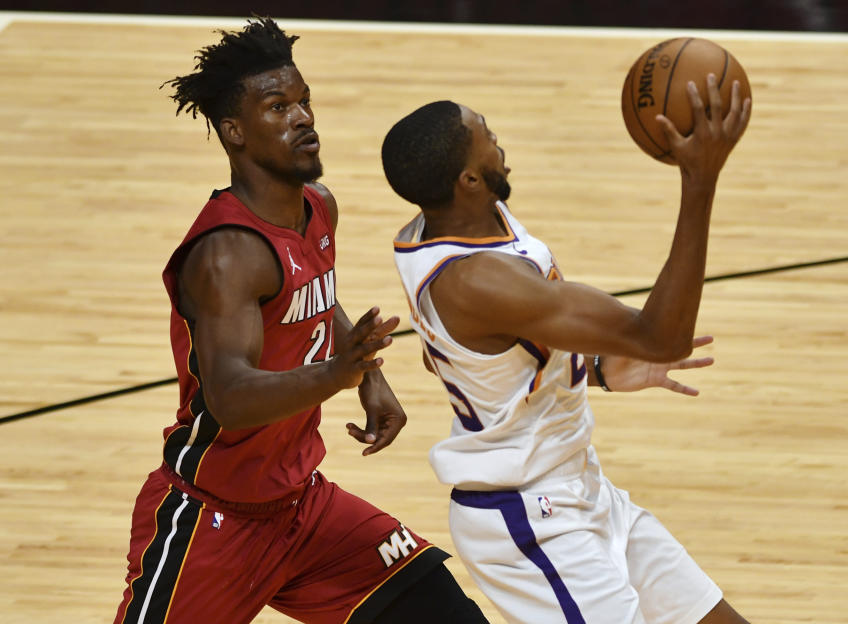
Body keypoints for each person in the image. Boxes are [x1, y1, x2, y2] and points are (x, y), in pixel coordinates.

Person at [114, 18, 488, 624]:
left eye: (304, 100)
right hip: (212, 516)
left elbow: (314, 296)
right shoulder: (227, 254)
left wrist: (368, 375)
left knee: (443, 613)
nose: (303, 117)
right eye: (278, 105)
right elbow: (231, 397)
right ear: (235, 131)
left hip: (300, 511)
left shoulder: (317, 208)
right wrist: (338, 373)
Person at [382, 75, 752, 624]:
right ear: (468, 178)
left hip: (579, 484)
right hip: (530, 518)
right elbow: (662, 337)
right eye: (482, 131)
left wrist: (596, 370)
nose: (494, 134)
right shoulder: (479, 282)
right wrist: (699, 182)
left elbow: (450, 354)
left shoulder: (453, 222)